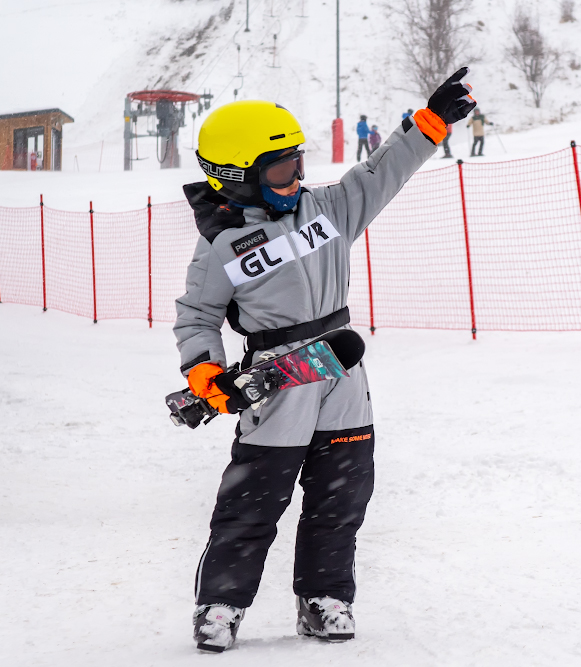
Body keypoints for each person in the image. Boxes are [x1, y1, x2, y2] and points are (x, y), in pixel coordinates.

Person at [175, 67, 477, 653]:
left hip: (341, 367)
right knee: (253, 504)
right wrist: (204, 370)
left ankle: (324, 599)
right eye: (282, 167)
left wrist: (431, 121)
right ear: (238, 176)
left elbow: (382, 171)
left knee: (342, 498)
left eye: (298, 162)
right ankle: (220, 607)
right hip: (278, 382)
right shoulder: (222, 246)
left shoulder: (326, 210)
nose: (297, 176)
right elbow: (196, 317)